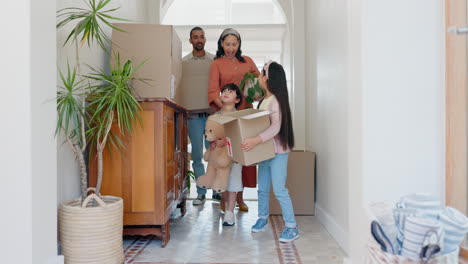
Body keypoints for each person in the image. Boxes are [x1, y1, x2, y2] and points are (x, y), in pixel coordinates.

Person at [241, 61, 299, 243]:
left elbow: (275, 128)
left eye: (261, 73)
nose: (259, 77)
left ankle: (292, 227)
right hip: (265, 152)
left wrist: (255, 140)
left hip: (278, 153)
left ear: (268, 78)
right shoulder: (264, 100)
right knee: (263, 189)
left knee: (280, 189)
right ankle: (262, 218)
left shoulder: (276, 101)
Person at [208, 28, 258, 212]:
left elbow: (258, 85)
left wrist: (257, 94)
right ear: (221, 44)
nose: (231, 48)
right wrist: (225, 110)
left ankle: (240, 198)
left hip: (245, 115)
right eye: (227, 44)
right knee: (225, 157)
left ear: (239, 44)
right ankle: (224, 196)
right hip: (227, 116)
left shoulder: (248, 62)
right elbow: (213, 92)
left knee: (244, 156)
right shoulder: (216, 64)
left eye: (234, 44)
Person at [183, 27, 220, 205]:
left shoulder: (214, 61)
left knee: (214, 155)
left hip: (212, 116)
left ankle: (216, 190)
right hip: (193, 118)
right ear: (190, 40)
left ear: (205, 40)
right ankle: (200, 192)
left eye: (202, 37)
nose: (199, 39)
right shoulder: (183, 63)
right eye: (195, 37)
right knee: (197, 156)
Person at [212, 83, 244, 226]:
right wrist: (213, 142)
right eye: (224, 91)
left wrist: (226, 140)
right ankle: (226, 208)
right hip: (219, 157)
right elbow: (210, 134)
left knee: (233, 182)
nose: (226, 92)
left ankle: (230, 213)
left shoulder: (239, 117)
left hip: (235, 156)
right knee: (222, 182)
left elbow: (241, 135)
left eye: (231, 91)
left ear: (237, 99)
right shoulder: (215, 116)